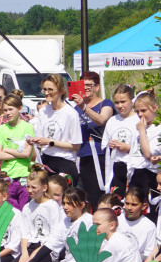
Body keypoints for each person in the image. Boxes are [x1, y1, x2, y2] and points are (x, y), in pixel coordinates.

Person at [50, 207, 142, 262]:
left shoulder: (113, 244)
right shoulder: (119, 238)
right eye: (93, 224)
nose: (94, 228)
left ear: (112, 225)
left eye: (98, 224)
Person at [3, 166, 63, 262]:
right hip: (32, 245)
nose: (30, 190)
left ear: (44, 187)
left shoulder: (52, 206)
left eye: (34, 187)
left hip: (47, 247)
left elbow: (54, 235)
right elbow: (25, 233)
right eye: (28, 187)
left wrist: (36, 253)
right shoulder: (27, 207)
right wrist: (24, 252)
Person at [71, 70, 114, 208]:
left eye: (89, 85)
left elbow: (101, 119)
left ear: (97, 87)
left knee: (99, 195)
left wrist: (84, 107)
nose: (86, 88)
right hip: (83, 156)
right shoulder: (75, 109)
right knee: (85, 196)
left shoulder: (105, 103)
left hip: (101, 156)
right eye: (83, 85)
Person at [30, 186, 93, 262]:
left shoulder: (90, 221)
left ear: (82, 205)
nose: (65, 207)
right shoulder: (65, 221)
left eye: (69, 204)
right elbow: (50, 245)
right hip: (68, 261)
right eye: (64, 203)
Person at [30, 73, 81, 180]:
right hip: (46, 160)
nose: (47, 93)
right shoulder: (43, 111)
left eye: (50, 90)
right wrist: (34, 141)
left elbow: (76, 146)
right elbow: (41, 139)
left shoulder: (71, 113)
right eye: (44, 90)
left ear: (61, 91)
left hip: (64, 161)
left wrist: (50, 142)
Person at [0, 92, 34, 212]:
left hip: (23, 174)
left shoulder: (27, 127)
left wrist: (7, 150)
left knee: (24, 209)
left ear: (20, 108)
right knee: (10, 211)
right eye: (5, 110)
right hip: (7, 176)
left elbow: (27, 154)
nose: (8, 113)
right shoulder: (1, 129)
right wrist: (18, 154)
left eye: (11, 109)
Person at [100, 85, 138, 197]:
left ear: (132, 101)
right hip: (116, 167)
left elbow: (145, 147)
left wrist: (129, 148)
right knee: (116, 198)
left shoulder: (138, 119)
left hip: (133, 166)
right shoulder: (112, 121)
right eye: (116, 102)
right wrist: (109, 145)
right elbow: (104, 144)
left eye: (123, 101)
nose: (119, 106)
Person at [132, 92, 161, 198]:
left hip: (151, 174)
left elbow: (148, 154)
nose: (140, 114)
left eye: (143, 110)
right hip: (136, 170)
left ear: (155, 107)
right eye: (137, 111)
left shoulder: (157, 128)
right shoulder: (139, 126)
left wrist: (142, 131)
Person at [118, 186, 155, 262]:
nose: (129, 208)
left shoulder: (149, 226)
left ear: (143, 206)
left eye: (134, 205)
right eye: (127, 203)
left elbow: (149, 254)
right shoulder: (116, 220)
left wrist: (131, 261)